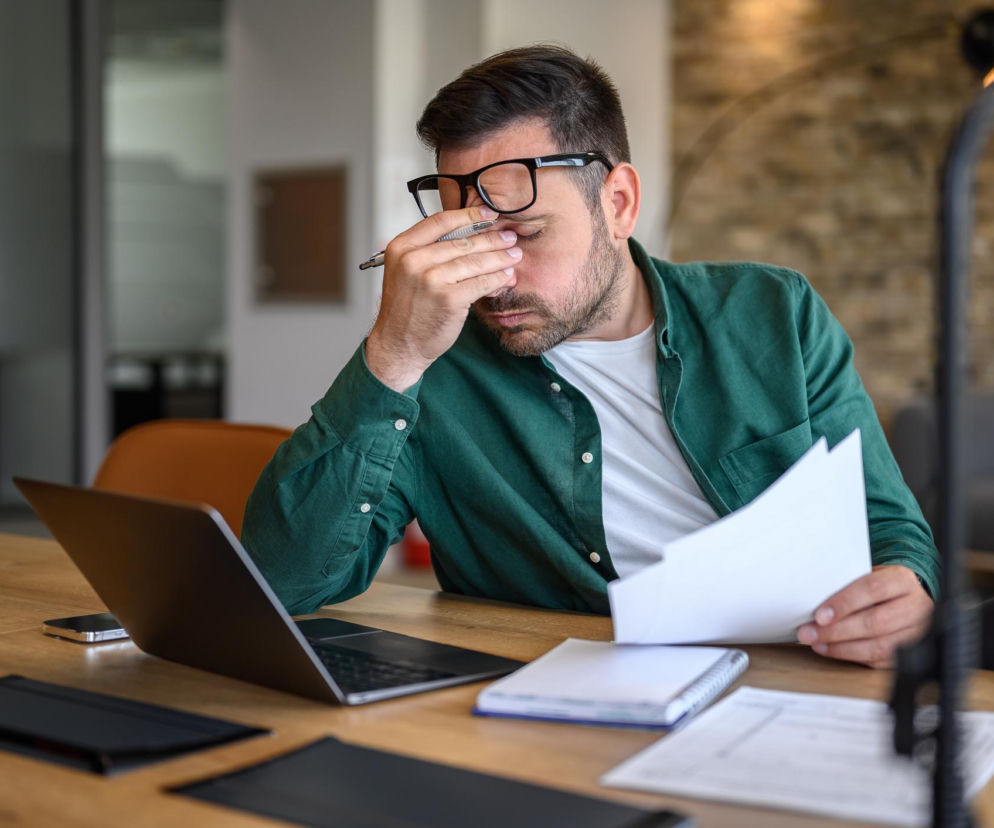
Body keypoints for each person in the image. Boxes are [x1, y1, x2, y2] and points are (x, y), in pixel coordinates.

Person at [243, 44, 937, 669]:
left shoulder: (771, 313)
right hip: (546, 708)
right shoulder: (431, 366)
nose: (495, 276)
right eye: (466, 241)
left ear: (620, 203)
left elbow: (885, 524)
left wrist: (905, 586)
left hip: (792, 680)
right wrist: (390, 357)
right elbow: (285, 582)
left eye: (525, 232)